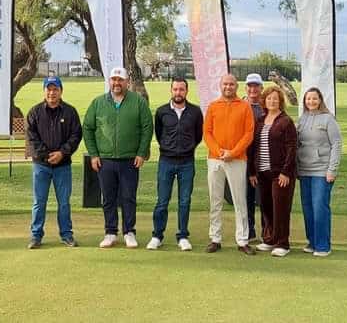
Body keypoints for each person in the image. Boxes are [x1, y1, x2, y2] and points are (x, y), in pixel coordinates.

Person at [84, 67, 153, 249]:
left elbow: (147, 128)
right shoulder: (98, 103)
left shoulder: (138, 102)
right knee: (108, 198)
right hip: (105, 160)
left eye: (120, 80)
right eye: (113, 80)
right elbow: (88, 128)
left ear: (127, 82)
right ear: (110, 81)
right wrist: (93, 154)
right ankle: (110, 232)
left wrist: (141, 152)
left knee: (128, 196)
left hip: (130, 159)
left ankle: (129, 231)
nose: (116, 83)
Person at [25, 75, 83, 249]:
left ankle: (66, 235)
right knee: (39, 202)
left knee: (64, 202)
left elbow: (76, 136)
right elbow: (31, 138)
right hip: (41, 166)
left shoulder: (70, 112)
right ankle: (36, 236)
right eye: (49, 89)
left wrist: (62, 153)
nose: (52, 93)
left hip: (63, 166)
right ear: (44, 91)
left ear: (61, 91)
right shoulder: (34, 112)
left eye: (55, 89)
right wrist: (47, 155)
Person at [202, 74, 257, 255]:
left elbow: (248, 133)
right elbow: (207, 133)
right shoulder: (213, 106)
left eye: (231, 84)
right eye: (225, 84)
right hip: (215, 159)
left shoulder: (245, 107)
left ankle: (242, 240)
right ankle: (215, 238)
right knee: (215, 199)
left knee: (239, 200)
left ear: (236, 86)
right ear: (220, 86)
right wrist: (219, 152)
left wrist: (232, 153)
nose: (228, 87)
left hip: (237, 159)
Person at [148, 77, 203, 251]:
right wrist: (168, 147)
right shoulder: (162, 111)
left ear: (187, 91)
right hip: (166, 161)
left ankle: (183, 235)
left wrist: (187, 147)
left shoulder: (195, 112)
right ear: (171, 91)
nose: (178, 92)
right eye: (175, 89)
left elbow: (198, 135)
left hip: (187, 162)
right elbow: (159, 133)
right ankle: (157, 235)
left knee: (184, 201)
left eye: (181, 89)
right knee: (162, 201)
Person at [247, 86, 297, 257]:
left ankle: (282, 243)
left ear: (280, 101)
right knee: (266, 207)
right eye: (269, 99)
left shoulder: (286, 121)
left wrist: (286, 172)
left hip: (280, 174)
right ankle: (269, 239)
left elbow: (292, 149)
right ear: (264, 101)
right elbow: (253, 147)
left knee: (280, 208)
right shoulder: (260, 120)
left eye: (275, 99)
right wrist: (252, 171)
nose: (272, 101)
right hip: (262, 173)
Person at [296, 87, 343, 257]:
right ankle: (312, 241)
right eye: (308, 99)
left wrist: (332, 170)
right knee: (308, 208)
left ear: (320, 100)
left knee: (319, 207)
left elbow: (337, 145)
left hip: (322, 171)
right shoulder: (302, 119)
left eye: (314, 99)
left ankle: (323, 246)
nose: (311, 102)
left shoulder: (328, 119)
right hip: (304, 171)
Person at [241, 73, 263, 240]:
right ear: (246, 88)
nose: (253, 89)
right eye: (250, 86)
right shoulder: (240, 105)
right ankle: (249, 230)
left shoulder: (268, 105)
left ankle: (268, 231)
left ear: (261, 88)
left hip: (263, 157)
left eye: (256, 86)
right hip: (244, 156)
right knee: (246, 196)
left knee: (264, 197)